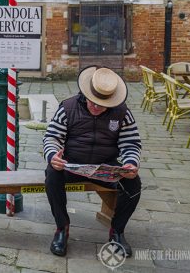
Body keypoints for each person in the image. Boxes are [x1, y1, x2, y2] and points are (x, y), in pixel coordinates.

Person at [43, 66, 141, 257]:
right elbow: (52, 137)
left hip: (105, 166)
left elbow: (131, 143)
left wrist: (130, 163)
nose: (96, 107)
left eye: (102, 104)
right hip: (71, 163)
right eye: (93, 102)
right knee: (52, 175)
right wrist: (53, 156)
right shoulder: (68, 107)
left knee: (133, 184)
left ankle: (117, 232)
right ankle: (61, 229)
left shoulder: (122, 113)